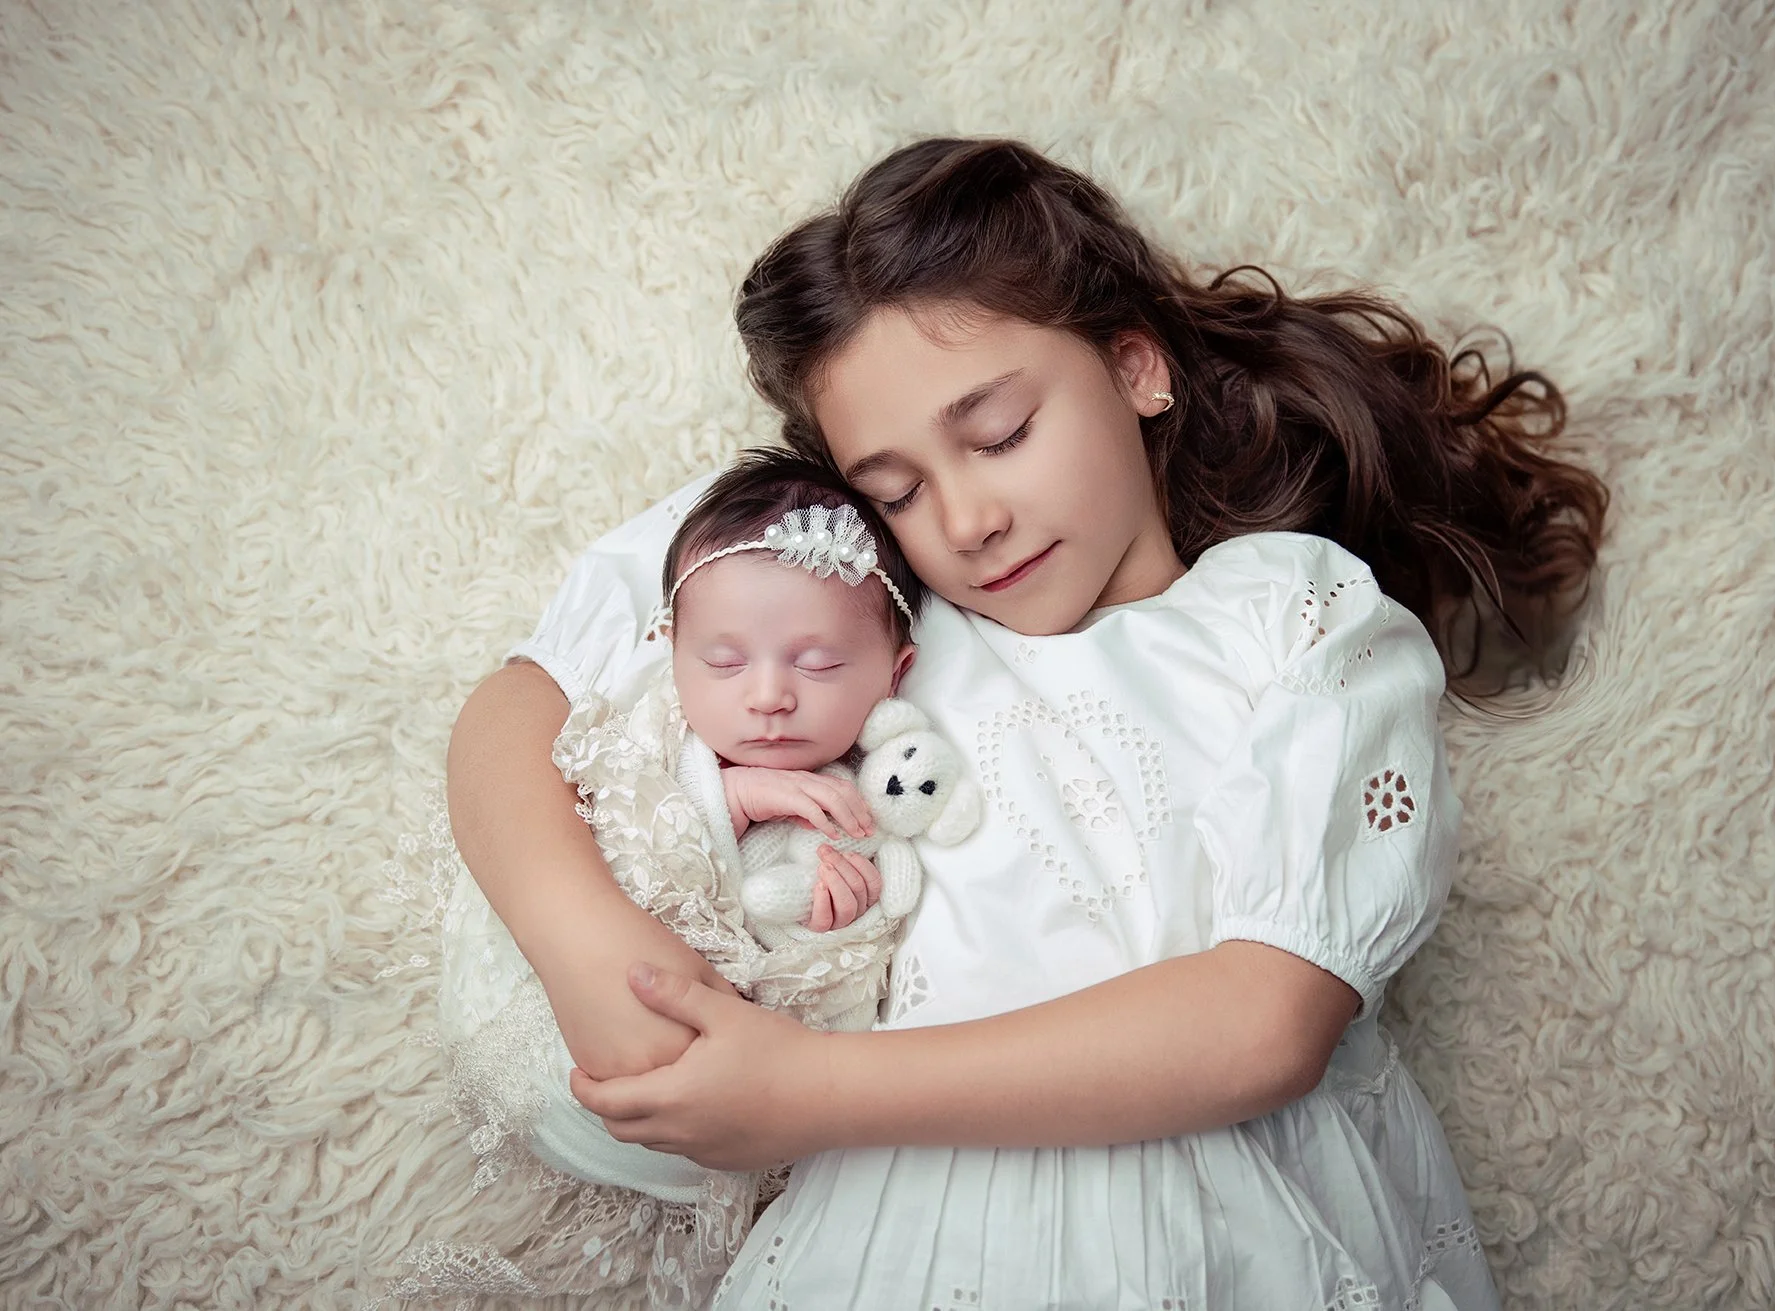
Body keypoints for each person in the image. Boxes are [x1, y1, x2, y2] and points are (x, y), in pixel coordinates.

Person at [447, 137, 1607, 1309]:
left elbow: (1266, 1021)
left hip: (1233, 1230)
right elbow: (520, 703)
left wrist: (809, 1091)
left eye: (998, 434)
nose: (964, 520)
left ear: (1137, 368)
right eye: (895, 487)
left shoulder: (1294, 614)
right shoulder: (851, 588)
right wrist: (583, 940)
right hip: (903, 1238)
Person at [433, 450, 931, 1302]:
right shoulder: (656, 732)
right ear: (672, 648)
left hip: (723, 1108)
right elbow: (615, 816)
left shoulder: (877, 793)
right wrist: (725, 798)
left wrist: (834, 919)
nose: (768, 695)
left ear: (896, 672)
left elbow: (846, 984)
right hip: (569, 1001)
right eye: (724, 661)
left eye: (816, 664)